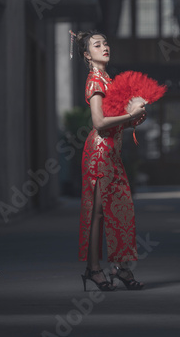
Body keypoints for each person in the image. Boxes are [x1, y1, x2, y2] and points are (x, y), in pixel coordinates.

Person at [75, 30, 146, 291]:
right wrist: (129, 117)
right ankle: (94, 270)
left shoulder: (109, 80)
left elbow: (115, 123)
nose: (104, 47)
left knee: (122, 208)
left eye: (105, 43)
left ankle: (120, 267)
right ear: (86, 54)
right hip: (99, 153)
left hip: (112, 152)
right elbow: (98, 123)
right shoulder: (94, 81)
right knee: (98, 213)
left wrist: (135, 118)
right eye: (97, 44)